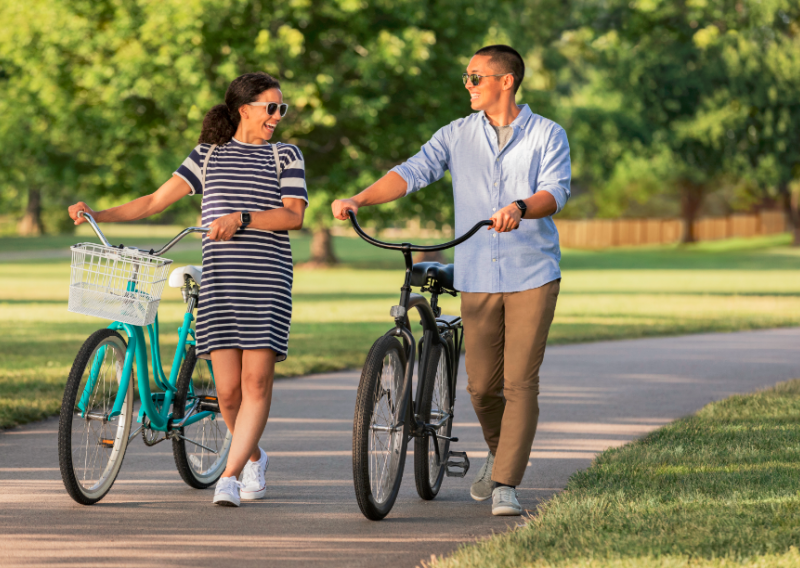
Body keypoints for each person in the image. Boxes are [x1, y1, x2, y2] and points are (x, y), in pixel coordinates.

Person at [332, 45, 570, 516]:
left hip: (532, 272)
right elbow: (412, 172)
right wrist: (360, 198)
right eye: (466, 76)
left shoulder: (547, 133)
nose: (468, 84)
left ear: (506, 81)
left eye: (476, 76)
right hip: (478, 273)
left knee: (520, 382)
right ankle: (502, 455)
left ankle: (505, 482)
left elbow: (555, 192)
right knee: (481, 387)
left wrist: (520, 207)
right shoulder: (456, 135)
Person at [68, 72, 308, 507]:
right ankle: (253, 457)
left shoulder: (285, 156)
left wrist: (242, 217)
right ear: (244, 110)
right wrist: (95, 212)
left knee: (255, 384)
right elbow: (154, 202)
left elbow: (293, 216)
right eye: (271, 108)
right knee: (229, 394)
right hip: (221, 282)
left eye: (281, 109)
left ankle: (229, 478)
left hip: (267, 279)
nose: (277, 116)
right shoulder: (208, 155)